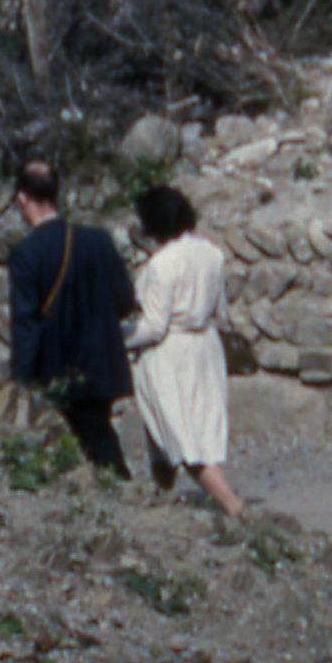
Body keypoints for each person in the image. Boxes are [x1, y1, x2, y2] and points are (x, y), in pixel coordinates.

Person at [7, 157, 136, 479]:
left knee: (90, 445)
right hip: (102, 359)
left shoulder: (26, 253)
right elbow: (124, 299)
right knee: (98, 435)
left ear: (22, 199)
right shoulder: (98, 239)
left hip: (59, 366)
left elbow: (26, 322)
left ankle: (120, 495)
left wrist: (21, 378)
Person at [127, 186, 245, 518]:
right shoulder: (212, 254)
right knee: (178, 428)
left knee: (183, 437)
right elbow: (220, 307)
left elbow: (154, 326)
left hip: (171, 354)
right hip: (205, 346)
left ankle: (232, 505)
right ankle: (160, 497)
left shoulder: (160, 265)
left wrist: (118, 338)